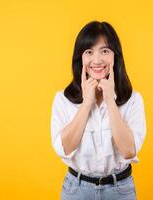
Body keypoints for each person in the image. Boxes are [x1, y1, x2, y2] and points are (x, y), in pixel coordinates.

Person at [50, 21, 147, 200]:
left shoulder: (133, 100)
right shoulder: (63, 100)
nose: (97, 60)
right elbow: (64, 148)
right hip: (77, 190)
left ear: (115, 56)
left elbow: (129, 151)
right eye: (89, 52)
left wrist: (110, 100)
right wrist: (87, 103)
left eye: (104, 51)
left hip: (120, 190)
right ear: (81, 58)